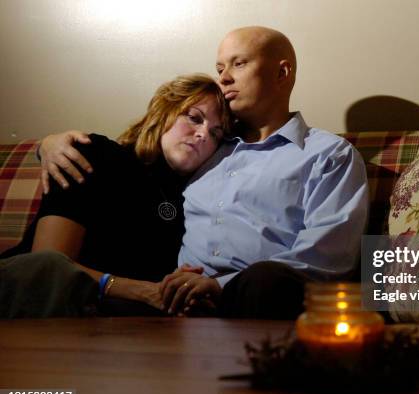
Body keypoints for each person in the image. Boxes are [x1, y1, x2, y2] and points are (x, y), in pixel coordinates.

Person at [36, 26, 369, 320]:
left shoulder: (327, 154)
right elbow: (48, 265)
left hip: (258, 295)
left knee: (267, 282)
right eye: (220, 67)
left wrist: (218, 286)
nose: (223, 77)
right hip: (170, 301)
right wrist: (47, 143)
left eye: (239, 64)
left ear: (282, 73)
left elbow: (328, 259)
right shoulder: (207, 153)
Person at [0, 73, 230, 318]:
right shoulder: (96, 155)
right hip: (28, 298)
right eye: (194, 118)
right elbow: (48, 266)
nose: (203, 134)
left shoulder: (192, 203)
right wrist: (142, 291)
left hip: (112, 322)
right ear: (165, 112)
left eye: (215, 133)